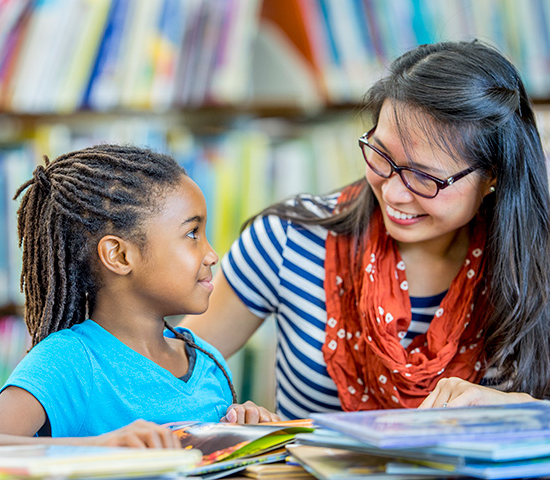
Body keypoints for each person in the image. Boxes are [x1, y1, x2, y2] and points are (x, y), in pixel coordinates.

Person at [181, 40, 550, 418]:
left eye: (425, 178)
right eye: (381, 154)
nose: (392, 192)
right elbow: (162, 379)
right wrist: (237, 424)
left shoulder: (537, 262)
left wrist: (527, 410)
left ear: (493, 176)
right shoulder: (287, 239)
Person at [0, 145, 279, 449]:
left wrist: (245, 428)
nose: (211, 255)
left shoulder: (208, 362)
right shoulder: (70, 361)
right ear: (119, 255)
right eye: (192, 234)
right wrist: (102, 447)